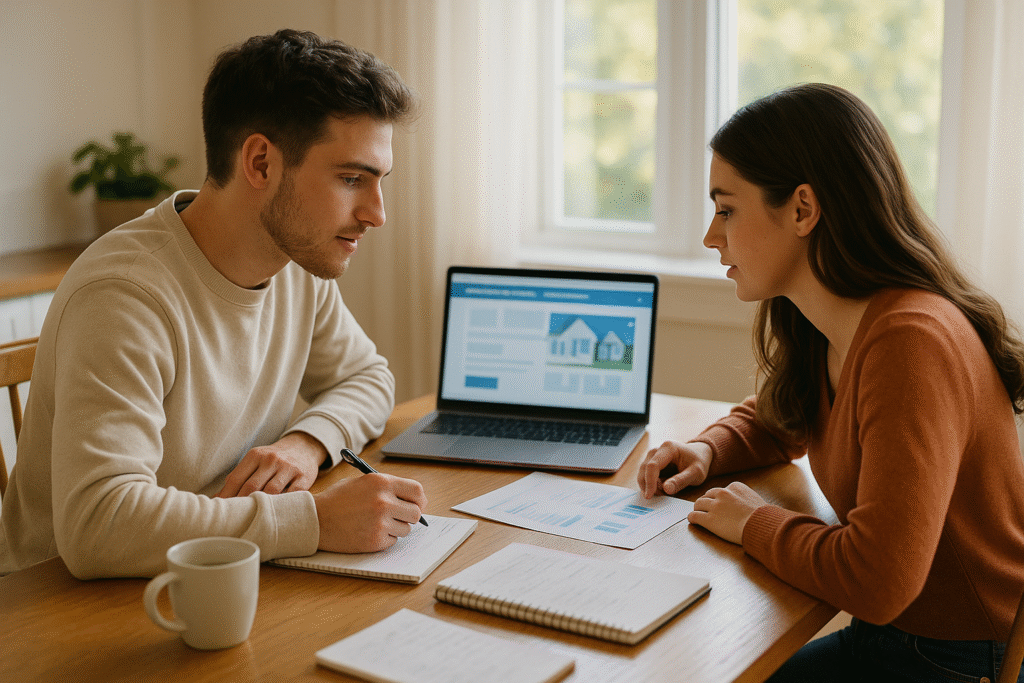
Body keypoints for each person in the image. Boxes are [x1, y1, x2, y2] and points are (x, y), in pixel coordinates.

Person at [0, 29, 428, 579]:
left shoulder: (296, 262)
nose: (376, 213)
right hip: (60, 608)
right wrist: (313, 520)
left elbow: (367, 377)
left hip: (213, 571)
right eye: (352, 179)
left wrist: (306, 442)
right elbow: (98, 523)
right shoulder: (124, 295)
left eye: (379, 182)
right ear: (260, 163)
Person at [638, 83, 1024, 682]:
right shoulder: (835, 318)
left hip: (955, 661)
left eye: (726, 208)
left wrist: (754, 523)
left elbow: (878, 580)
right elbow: (782, 416)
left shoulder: (910, 343)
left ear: (802, 209)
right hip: (897, 640)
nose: (711, 236)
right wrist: (708, 448)